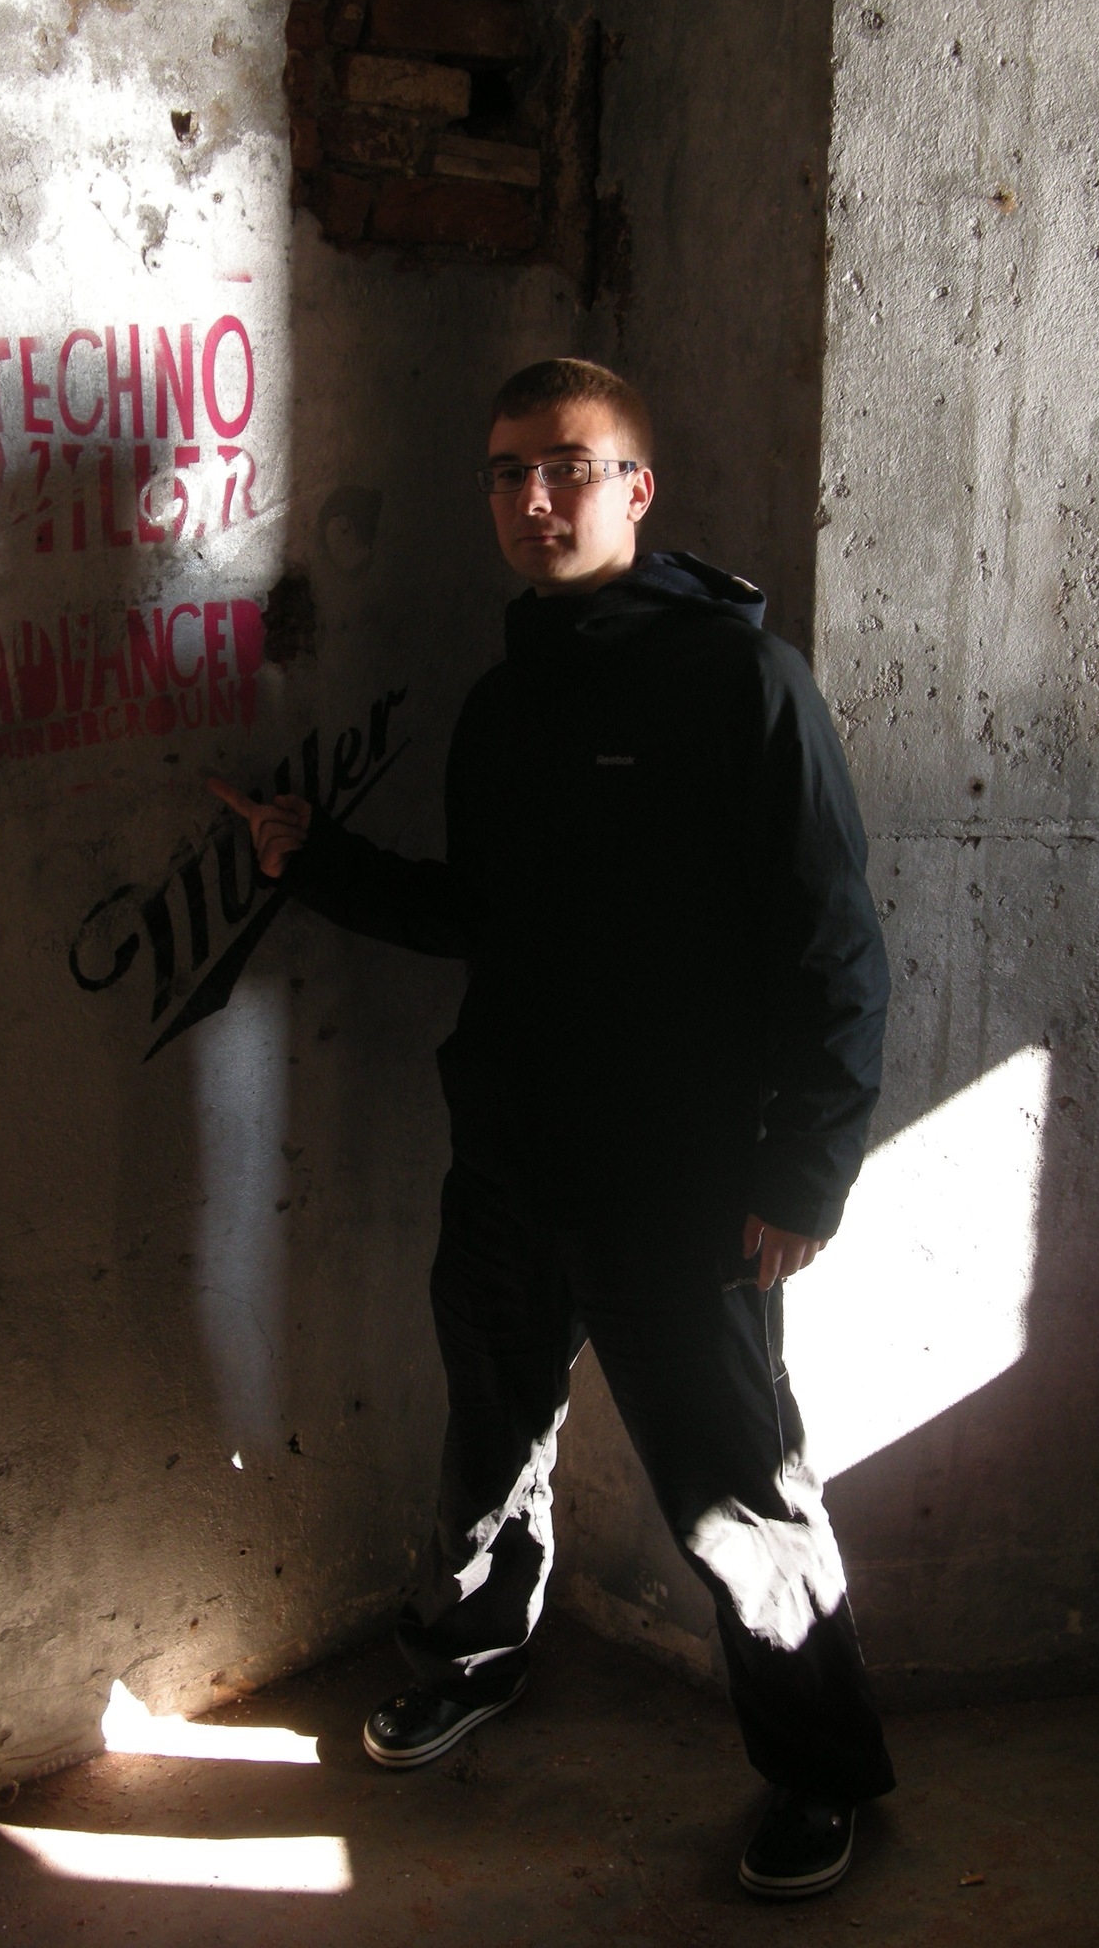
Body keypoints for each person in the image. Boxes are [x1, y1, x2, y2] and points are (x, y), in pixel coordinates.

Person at [209, 358, 894, 1901]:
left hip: (684, 1189)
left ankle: (820, 1769)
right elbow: (488, 917)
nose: (533, 498)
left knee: (740, 1492)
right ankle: (472, 1660)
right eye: (508, 471)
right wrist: (316, 864)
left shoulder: (745, 684)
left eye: (568, 467)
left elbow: (837, 949)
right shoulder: (508, 701)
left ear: (637, 489)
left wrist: (807, 1173)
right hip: (512, 1163)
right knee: (490, 1445)